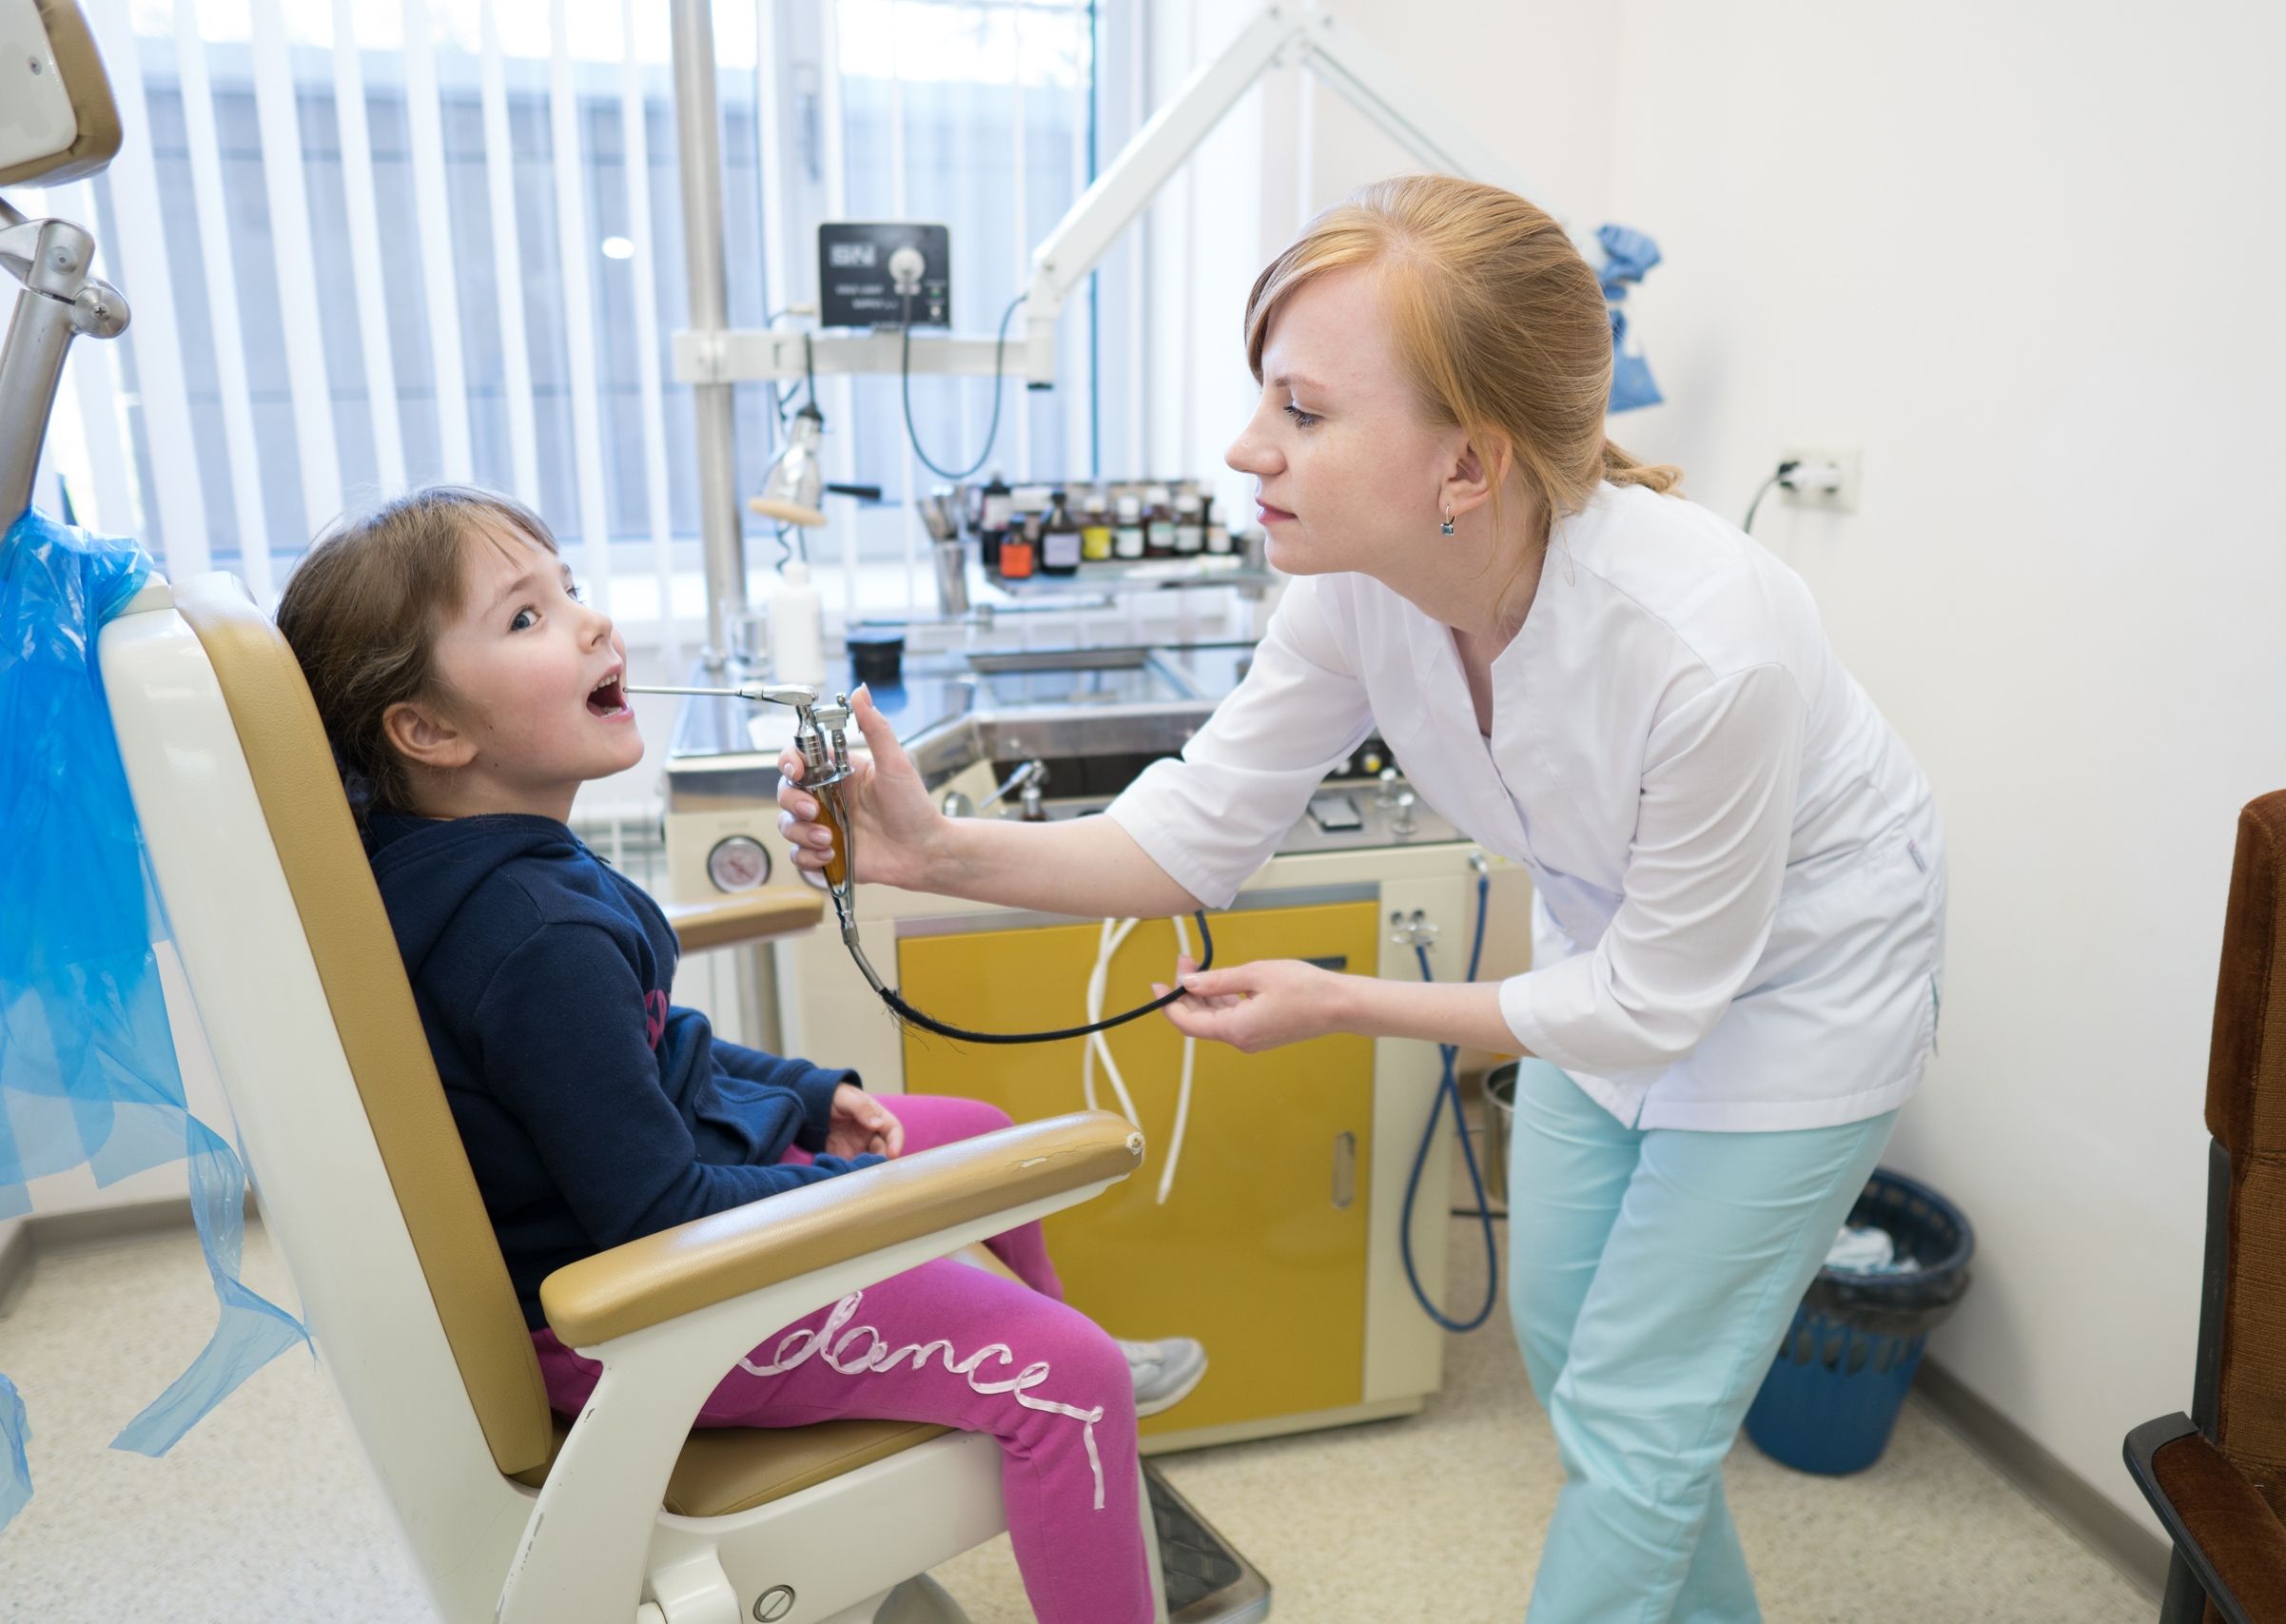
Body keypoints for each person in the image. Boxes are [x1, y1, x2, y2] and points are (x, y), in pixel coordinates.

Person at [779, 175, 1946, 1623]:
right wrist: (933, 852)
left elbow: (1658, 1002)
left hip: (1797, 998)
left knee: (1637, 1421)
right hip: (1606, 967)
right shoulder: (1356, 590)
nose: (1246, 445)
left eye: (1305, 411)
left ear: (1468, 465)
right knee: (1584, 1367)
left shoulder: (1708, 645)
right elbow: (1190, 834)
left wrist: (1340, 1003)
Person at [277, 486, 1202, 1624]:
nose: (591, 622)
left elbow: (652, 1046)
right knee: (1070, 1380)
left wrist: (809, 1098)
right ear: (428, 731)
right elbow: (657, 1213)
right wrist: (861, 1193)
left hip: (646, 1231)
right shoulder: (536, 937)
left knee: (980, 1134)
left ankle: (1064, 1333)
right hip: (654, 1317)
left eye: (569, 589)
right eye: (525, 617)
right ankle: (1081, 1379)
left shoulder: (481, 866)